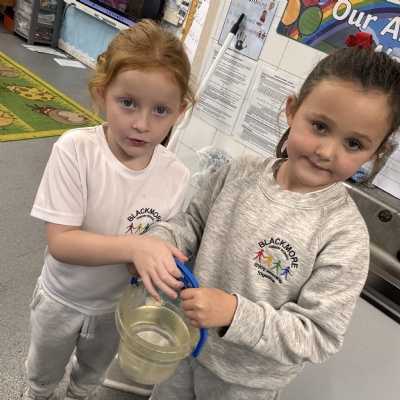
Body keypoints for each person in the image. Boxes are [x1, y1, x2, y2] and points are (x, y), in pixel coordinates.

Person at [131, 44, 400, 400]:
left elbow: (318, 335)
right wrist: (158, 243)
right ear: (292, 110)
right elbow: (192, 223)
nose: (326, 151)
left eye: (353, 144)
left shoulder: (344, 236)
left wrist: (235, 314)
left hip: (245, 383)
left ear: (377, 152)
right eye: (319, 126)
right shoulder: (239, 172)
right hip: (184, 341)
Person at [24, 19, 195, 400]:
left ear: (180, 111)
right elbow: (62, 243)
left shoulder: (176, 174)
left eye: (161, 110)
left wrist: (153, 264)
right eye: (128, 103)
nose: (142, 124)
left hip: (116, 308)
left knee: (90, 376)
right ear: (102, 94)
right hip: (61, 299)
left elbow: (154, 245)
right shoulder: (76, 151)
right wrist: (136, 247)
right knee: (43, 373)